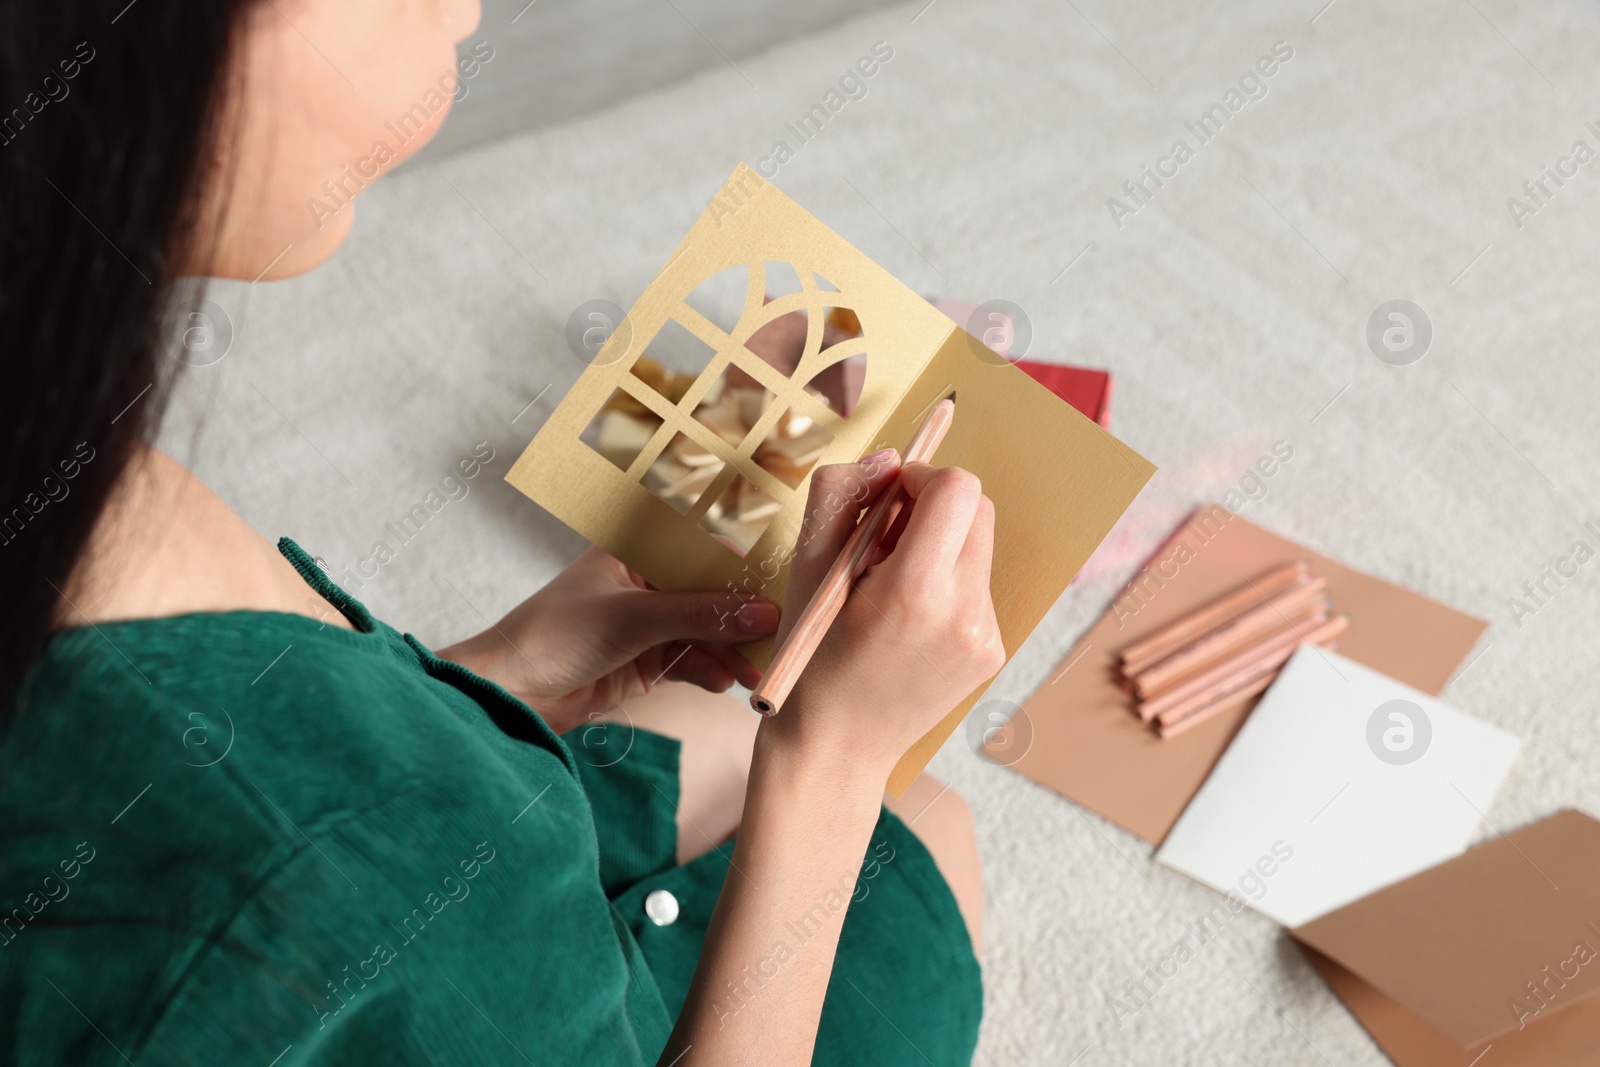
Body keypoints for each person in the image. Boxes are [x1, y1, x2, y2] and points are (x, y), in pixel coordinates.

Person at [0, 3, 1002, 1064]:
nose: (464, 7)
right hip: (414, 933)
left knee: (718, 733)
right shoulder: (335, 856)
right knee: (924, 825)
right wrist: (834, 760)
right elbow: (316, 858)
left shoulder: (56, 467)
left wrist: (482, 679)